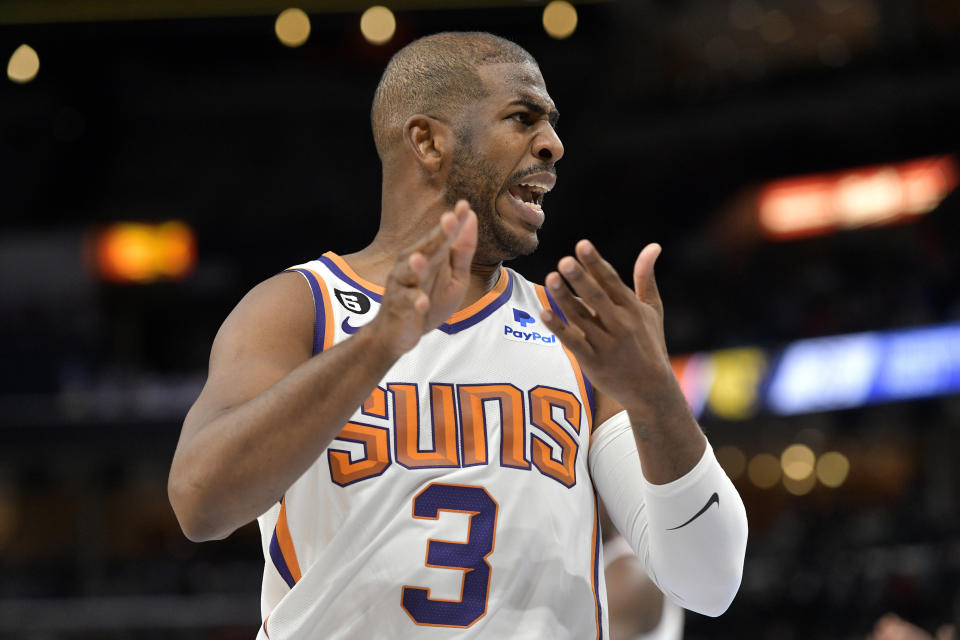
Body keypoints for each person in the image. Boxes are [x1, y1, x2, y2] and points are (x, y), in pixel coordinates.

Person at [168, 31, 748, 639]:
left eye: (550, 123)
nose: (553, 144)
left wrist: (658, 396)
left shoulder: (577, 335)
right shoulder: (298, 307)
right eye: (523, 118)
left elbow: (709, 582)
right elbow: (200, 503)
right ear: (428, 141)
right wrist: (379, 343)